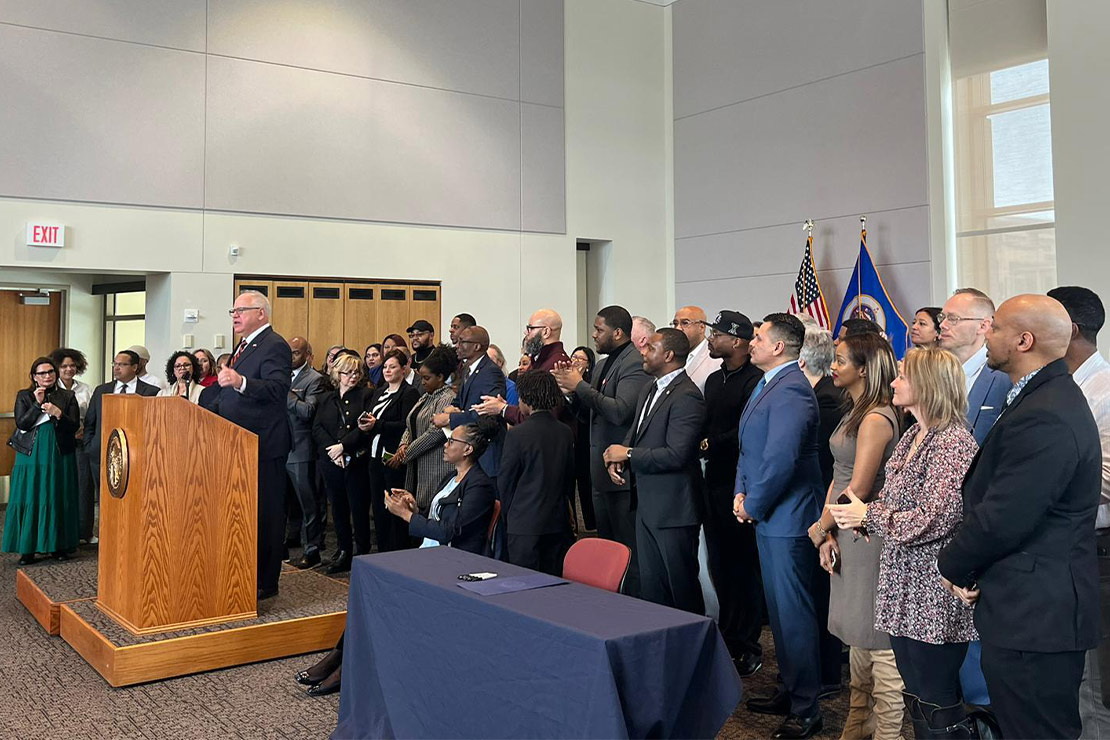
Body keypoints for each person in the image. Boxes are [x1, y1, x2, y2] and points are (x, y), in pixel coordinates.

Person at [937, 294, 1101, 740]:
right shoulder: (1041, 396)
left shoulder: (1046, 412)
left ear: (1024, 340)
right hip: (1029, 605)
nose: (986, 334)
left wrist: (951, 565)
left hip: (1036, 614)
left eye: (996, 327)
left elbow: (1004, 516)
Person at [829, 347, 979, 739]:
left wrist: (869, 516)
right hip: (902, 583)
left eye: (902, 376)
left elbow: (936, 517)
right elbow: (897, 502)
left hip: (932, 588)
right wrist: (866, 518)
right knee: (916, 694)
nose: (893, 382)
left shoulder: (951, 443)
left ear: (927, 386)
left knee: (936, 700)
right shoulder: (914, 432)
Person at [297, 418, 500, 699]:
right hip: (430, 556)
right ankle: (340, 657)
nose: (446, 444)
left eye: (452, 441)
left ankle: (347, 665)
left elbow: (452, 531)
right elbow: (439, 515)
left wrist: (407, 516)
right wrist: (416, 506)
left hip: (453, 564)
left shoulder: (480, 486)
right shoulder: (451, 477)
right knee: (370, 587)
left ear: (468, 450)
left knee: (380, 590)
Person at [734, 313, 825, 739]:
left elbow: (780, 460)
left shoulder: (792, 391)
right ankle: (790, 689)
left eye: (757, 336)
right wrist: (741, 494)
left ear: (778, 347)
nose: (750, 342)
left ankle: (808, 707)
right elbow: (749, 451)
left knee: (793, 616)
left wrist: (752, 503)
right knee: (781, 613)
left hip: (788, 519)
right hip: (767, 514)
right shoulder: (766, 383)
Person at [812, 334, 902, 740]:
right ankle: (857, 725)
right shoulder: (855, 410)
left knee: (874, 636)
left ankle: (886, 732)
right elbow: (838, 477)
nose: (833, 365)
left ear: (864, 369)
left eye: (842, 360)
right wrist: (825, 533)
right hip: (844, 530)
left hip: (867, 537)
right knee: (858, 640)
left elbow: (860, 489)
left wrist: (819, 528)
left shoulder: (877, 417)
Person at [600, 328, 705, 612]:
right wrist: (619, 458)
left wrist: (629, 454)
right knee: (652, 588)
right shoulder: (651, 386)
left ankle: (695, 651)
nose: (643, 352)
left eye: (651, 348)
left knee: (680, 588)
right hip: (646, 503)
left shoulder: (687, 396)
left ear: (669, 355)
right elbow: (636, 432)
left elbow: (677, 455)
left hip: (673, 509)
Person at [199, 290, 292, 599]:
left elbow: (278, 390)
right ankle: (244, 570)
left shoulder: (274, 345)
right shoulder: (244, 345)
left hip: (263, 444)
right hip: (237, 442)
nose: (235, 315)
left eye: (241, 310)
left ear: (261, 314)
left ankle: (266, 581)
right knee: (243, 512)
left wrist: (240, 382)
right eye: (233, 311)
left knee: (265, 512)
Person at [554, 306, 651, 596]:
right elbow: (590, 414)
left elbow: (621, 412)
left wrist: (581, 386)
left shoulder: (633, 362)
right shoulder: (604, 364)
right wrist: (572, 395)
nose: (594, 335)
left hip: (621, 473)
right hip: (600, 468)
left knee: (626, 551)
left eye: (599, 330)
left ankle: (631, 608)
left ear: (618, 333)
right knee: (606, 548)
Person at [1048, 286, 1110, 736]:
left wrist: (1039, 489)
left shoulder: (1103, 389)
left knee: (1094, 689)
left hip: (1095, 551)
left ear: (1067, 329)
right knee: (1067, 683)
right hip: (1060, 548)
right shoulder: (1060, 383)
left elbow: (1106, 477)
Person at [699, 311, 764, 677]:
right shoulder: (712, 379)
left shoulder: (754, 381)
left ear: (737, 340)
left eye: (717, 334)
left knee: (743, 567)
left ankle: (748, 642)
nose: (711, 339)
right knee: (720, 565)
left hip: (740, 483)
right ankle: (728, 634)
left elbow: (745, 431)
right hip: (712, 482)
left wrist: (710, 443)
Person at [796, 326, 847, 697]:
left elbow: (828, 463)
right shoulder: (813, 394)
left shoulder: (826, 399)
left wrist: (824, 521)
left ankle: (828, 674)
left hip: (825, 504)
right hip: (818, 502)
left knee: (822, 589)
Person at [3, 357, 80, 564]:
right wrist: (37, 405)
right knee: (30, 495)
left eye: (50, 372)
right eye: (42, 373)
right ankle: (27, 549)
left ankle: (58, 546)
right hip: (31, 454)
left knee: (57, 495)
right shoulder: (24, 395)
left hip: (59, 452)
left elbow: (73, 427)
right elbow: (22, 423)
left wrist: (58, 414)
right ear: (34, 377)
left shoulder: (67, 396)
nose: (47, 376)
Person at [499, 371, 575, 575]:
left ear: (525, 399)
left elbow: (506, 482)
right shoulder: (565, 433)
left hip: (523, 524)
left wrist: (508, 516)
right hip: (557, 522)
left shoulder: (516, 435)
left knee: (525, 588)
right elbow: (569, 479)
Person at [312, 353, 373, 573]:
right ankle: (343, 550)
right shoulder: (327, 398)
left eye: (356, 372)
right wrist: (333, 451)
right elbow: (318, 427)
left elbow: (365, 427)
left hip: (356, 460)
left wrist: (343, 446)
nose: (353, 377)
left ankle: (362, 552)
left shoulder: (366, 395)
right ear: (338, 374)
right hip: (331, 461)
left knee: (358, 508)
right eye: (348, 372)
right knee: (337, 508)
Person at [84, 350, 159, 524]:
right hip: (101, 454)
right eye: (115, 364)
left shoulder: (150, 392)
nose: (117, 368)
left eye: (122, 364)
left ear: (135, 367)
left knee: (134, 499)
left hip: (137, 456)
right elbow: (90, 422)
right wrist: (91, 447)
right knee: (105, 501)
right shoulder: (102, 390)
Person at [938, 288, 1011, 446]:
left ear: (983, 326)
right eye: (942, 317)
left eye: (953, 318)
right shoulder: (935, 375)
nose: (943, 325)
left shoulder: (1004, 377)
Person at [432, 326, 506, 481]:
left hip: (486, 454)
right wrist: (450, 408)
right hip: (469, 453)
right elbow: (461, 400)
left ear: (476, 346)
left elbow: (488, 416)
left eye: (462, 342)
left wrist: (450, 419)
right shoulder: (468, 368)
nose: (457, 346)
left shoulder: (491, 373)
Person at [364, 349, 419, 553]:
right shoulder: (380, 391)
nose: (387, 370)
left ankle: (396, 553)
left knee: (394, 508)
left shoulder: (409, 393)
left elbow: (406, 426)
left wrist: (378, 425)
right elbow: (370, 416)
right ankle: (383, 552)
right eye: (385, 366)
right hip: (374, 457)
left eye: (392, 366)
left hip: (394, 458)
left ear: (404, 369)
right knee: (379, 508)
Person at [397, 346, 458, 514]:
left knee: (429, 514)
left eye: (427, 378)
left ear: (440, 377)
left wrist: (407, 452)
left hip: (435, 467)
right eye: (421, 378)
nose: (423, 382)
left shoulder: (448, 398)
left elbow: (435, 433)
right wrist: (403, 444)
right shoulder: (425, 396)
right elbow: (410, 423)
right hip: (417, 466)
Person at [285, 336, 325, 569]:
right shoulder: (279, 375)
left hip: (301, 448)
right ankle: (284, 544)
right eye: (288, 352)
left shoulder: (315, 379)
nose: (291, 357)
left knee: (308, 502)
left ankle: (312, 550)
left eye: (296, 353)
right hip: (279, 447)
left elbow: (308, 410)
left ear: (307, 354)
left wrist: (286, 394)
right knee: (280, 502)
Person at [50, 348, 95, 545]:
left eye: (72, 365)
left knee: (83, 485)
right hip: (57, 442)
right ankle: (59, 531)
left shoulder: (85, 388)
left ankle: (85, 531)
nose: (69, 369)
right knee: (60, 485)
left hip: (80, 441)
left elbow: (92, 414)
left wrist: (86, 430)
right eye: (64, 366)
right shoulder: (51, 389)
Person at [569, 345, 597, 531]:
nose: (575, 361)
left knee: (586, 480)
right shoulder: (564, 380)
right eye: (574, 357)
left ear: (588, 365)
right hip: (568, 435)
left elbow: (586, 410)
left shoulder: (590, 384)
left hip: (585, 436)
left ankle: (590, 524)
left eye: (580, 359)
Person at [671, 305, 721, 392]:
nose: (678, 328)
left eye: (685, 323)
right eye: (675, 324)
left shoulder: (716, 360)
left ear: (701, 327)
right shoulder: (671, 356)